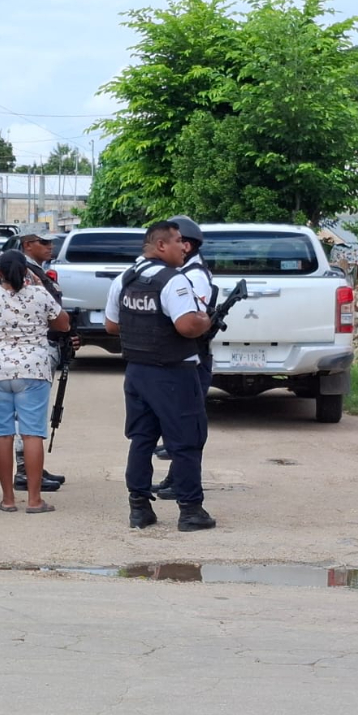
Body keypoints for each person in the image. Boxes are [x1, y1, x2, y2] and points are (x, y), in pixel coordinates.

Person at [104, 220, 216, 532]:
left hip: (137, 371)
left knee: (141, 439)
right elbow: (186, 326)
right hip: (173, 372)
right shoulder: (173, 281)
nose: (184, 247)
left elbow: (111, 326)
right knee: (186, 441)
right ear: (161, 245)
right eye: (179, 241)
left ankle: (139, 508)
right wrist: (204, 320)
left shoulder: (126, 278)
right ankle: (191, 511)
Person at [0, 249, 70, 513]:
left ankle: (8, 499)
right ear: (26, 272)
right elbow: (64, 324)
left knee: (1, 434)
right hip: (32, 371)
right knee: (32, 434)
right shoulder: (40, 295)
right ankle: (34, 500)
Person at [154, 215, 214, 501]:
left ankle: (182, 482)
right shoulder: (185, 273)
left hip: (194, 357)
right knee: (178, 423)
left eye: (176, 241)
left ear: (187, 246)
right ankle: (175, 478)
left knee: (187, 425)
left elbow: (192, 319)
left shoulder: (194, 276)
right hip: (183, 357)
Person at [12, 231, 69, 492]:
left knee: (33, 412)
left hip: (43, 345)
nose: (50, 246)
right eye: (44, 242)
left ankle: (33, 468)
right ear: (28, 245)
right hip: (33, 349)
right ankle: (25, 470)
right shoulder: (25, 272)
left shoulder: (37, 270)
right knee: (29, 414)